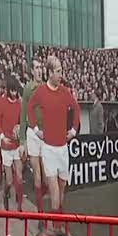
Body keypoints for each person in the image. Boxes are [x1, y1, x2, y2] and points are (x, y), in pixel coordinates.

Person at [26, 56, 80, 214]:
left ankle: (58, 222)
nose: (61, 74)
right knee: (55, 195)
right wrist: (36, 129)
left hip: (63, 149)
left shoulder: (65, 92)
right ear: (49, 73)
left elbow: (76, 109)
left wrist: (73, 131)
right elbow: (29, 108)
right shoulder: (41, 91)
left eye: (61, 71)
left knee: (62, 190)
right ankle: (56, 230)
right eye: (58, 71)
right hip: (48, 150)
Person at [20, 61, 47, 211]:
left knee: (46, 179)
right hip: (32, 133)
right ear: (31, 71)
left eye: (41, 67)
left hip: (45, 134)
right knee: (37, 173)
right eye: (37, 68)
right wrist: (22, 140)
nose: (39, 70)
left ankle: (40, 199)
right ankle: (41, 213)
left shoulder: (46, 87)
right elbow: (23, 113)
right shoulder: (28, 88)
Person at [0, 77, 24, 211]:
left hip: (17, 144)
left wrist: (20, 128)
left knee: (19, 177)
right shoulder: (2, 102)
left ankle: (19, 207)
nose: (14, 94)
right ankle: (5, 193)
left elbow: (22, 121)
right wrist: (2, 137)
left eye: (16, 91)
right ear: (8, 90)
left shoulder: (19, 103)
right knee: (9, 181)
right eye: (12, 91)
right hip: (6, 146)